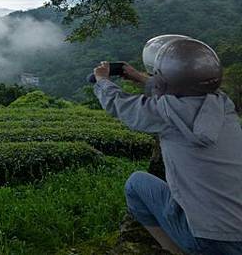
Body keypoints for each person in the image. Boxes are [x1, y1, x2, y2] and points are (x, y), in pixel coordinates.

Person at [93, 36, 242, 255]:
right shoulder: (223, 105)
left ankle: (175, 250)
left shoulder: (163, 113)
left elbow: (120, 104)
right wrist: (140, 78)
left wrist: (102, 81)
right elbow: (184, 91)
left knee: (136, 184)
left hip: (210, 240)